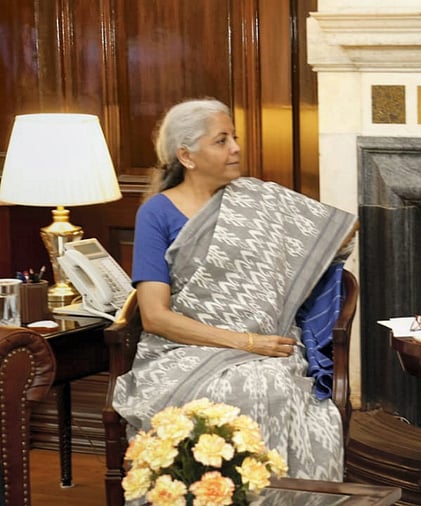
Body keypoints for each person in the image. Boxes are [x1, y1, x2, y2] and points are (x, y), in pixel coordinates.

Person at [112, 98, 357, 483]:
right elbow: (155, 317)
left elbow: (340, 232)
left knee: (273, 385)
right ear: (186, 156)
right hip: (185, 349)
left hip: (271, 344)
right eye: (221, 140)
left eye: (235, 137)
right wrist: (246, 342)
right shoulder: (157, 214)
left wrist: (298, 253)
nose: (236, 149)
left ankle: (275, 496)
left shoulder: (259, 199)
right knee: (232, 393)